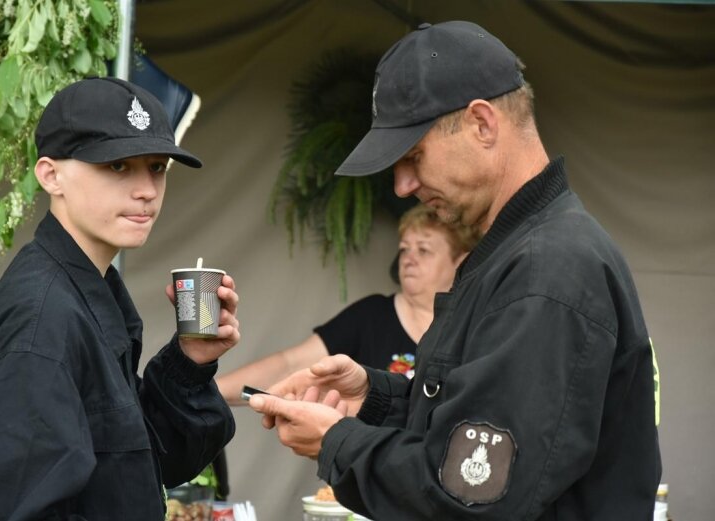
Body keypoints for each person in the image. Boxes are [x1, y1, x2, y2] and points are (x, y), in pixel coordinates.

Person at [248, 21, 662, 520]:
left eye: (414, 156)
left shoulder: (546, 270)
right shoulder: (517, 252)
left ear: (482, 124)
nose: (401, 186)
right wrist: (375, 399)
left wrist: (336, 441)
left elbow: (470, 495)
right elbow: (475, 429)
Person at [0, 77, 240, 520]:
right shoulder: (43, 319)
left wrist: (189, 363)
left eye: (156, 166)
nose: (147, 190)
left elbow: (143, 461)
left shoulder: (87, 290)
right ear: (50, 175)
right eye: (118, 166)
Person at [217, 203, 468, 405]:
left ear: (461, 261)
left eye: (423, 250)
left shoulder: (474, 324)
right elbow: (291, 364)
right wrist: (208, 393)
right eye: (404, 249)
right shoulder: (373, 315)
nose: (409, 259)